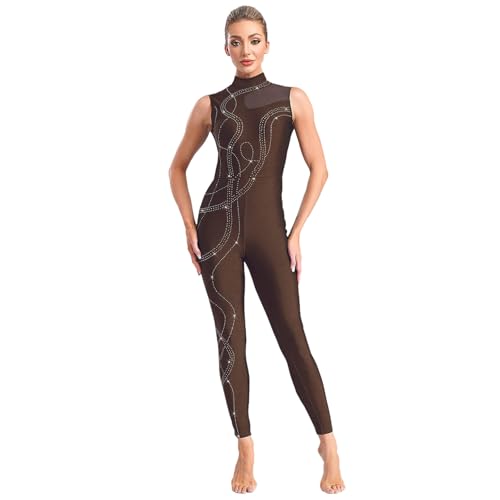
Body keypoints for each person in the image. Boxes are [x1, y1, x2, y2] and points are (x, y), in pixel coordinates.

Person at [169, 5, 345, 495]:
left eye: (253, 40)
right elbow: (176, 167)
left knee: (292, 334)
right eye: (235, 41)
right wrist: (189, 225)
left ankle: (328, 445)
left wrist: (296, 231)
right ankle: (245, 449)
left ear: (267, 45)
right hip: (218, 230)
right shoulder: (210, 105)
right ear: (225, 48)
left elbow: (320, 168)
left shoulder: (292, 99)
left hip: (271, 234)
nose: (245, 50)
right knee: (232, 337)